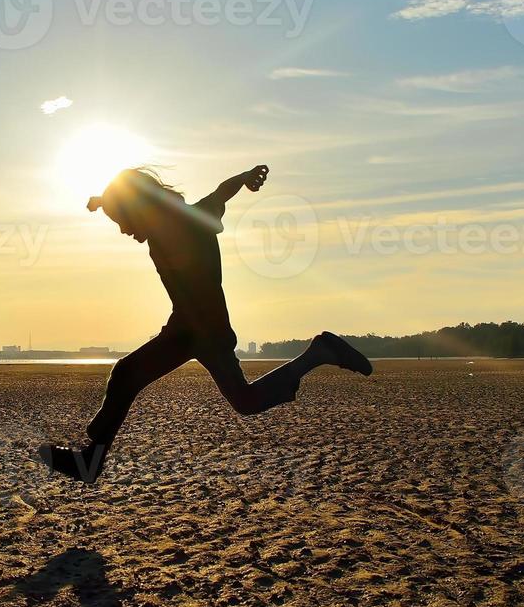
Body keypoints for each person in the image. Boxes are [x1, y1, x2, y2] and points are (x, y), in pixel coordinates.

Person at [37, 165, 372, 484]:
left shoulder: (184, 223)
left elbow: (217, 195)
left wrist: (242, 178)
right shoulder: (183, 217)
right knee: (246, 401)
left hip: (196, 330)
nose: (124, 230)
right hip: (197, 327)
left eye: (122, 221)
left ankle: (90, 461)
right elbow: (218, 196)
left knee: (126, 373)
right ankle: (318, 353)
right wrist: (102, 200)